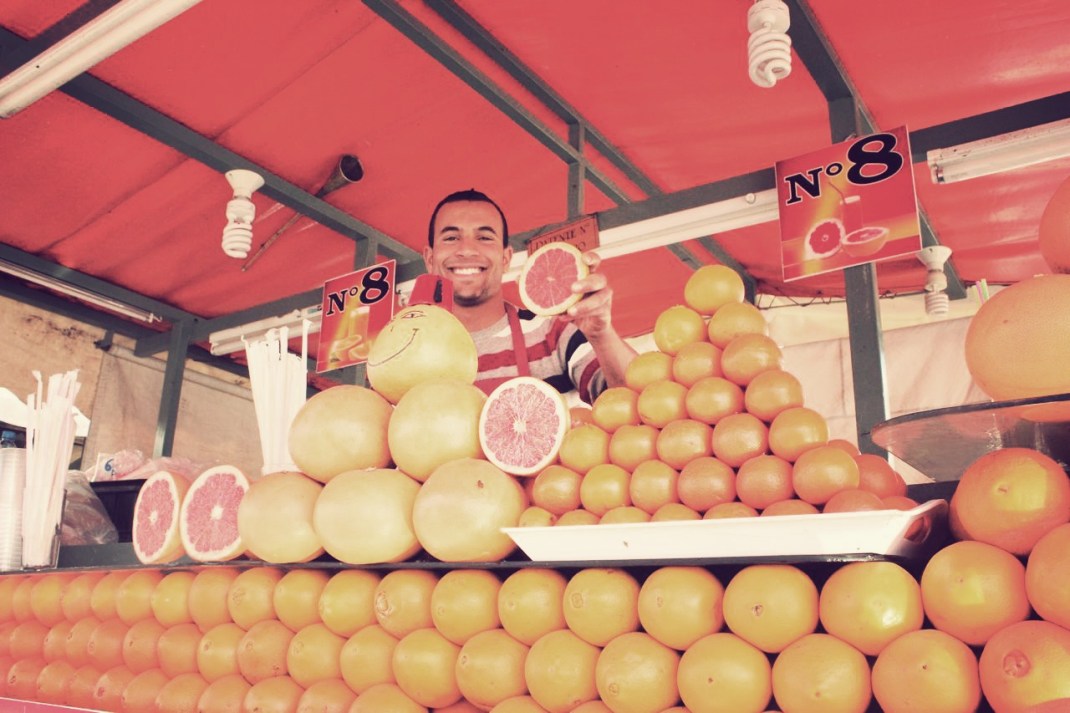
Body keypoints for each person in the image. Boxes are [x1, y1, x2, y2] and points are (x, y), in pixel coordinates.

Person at [422, 189, 637, 403]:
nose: (467, 250)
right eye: (451, 238)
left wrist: (601, 335)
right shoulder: (410, 345)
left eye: (484, 238)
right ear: (430, 259)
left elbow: (638, 402)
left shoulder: (555, 332)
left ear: (506, 258)